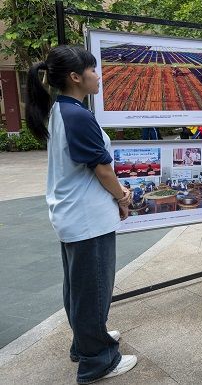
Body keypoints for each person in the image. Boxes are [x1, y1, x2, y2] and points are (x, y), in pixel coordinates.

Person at [24, 46, 137, 383]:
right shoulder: (76, 115)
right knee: (93, 290)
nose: (98, 76)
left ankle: (86, 341)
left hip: (74, 215)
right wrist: (123, 197)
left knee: (79, 287)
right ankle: (97, 360)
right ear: (76, 77)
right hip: (87, 219)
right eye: (93, 70)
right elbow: (103, 170)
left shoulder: (63, 109)